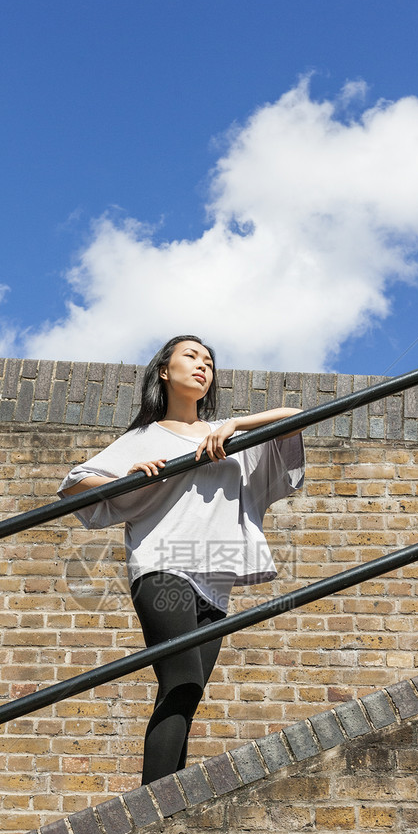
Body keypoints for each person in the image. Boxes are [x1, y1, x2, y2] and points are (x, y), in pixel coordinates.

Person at [58, 335, 304, 786]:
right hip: (161, 566)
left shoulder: (232, 435)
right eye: (190, 356)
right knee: (183, 680)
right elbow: (73, 485)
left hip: (216, 579)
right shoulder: (144, 437)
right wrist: (123, 478)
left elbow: (296, 419)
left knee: (185, 695)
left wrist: (236, 425)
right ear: (164, 372)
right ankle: (150, 807)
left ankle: (168, 801)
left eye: (209, 361)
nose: (202, 365)